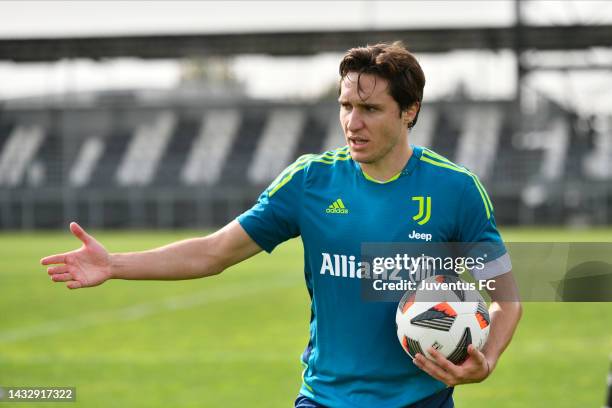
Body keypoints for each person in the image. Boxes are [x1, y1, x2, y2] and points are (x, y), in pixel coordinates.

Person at [41, 42, 522, 408]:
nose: (352, 122)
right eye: (346, 106)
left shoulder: (455, 190)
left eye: (370, 109)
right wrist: (114, 263)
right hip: (323, 398)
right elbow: (215, 252)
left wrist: (489, 360)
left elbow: (506, 298)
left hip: (421, 402)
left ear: (409, 110)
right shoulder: (310, 182)